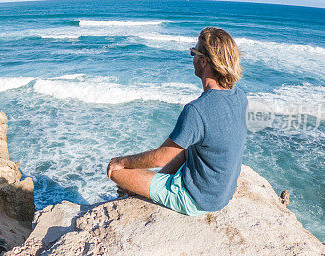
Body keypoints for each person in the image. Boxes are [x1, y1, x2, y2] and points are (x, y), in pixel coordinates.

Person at [106, 26, 247, 216]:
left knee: (115, 171)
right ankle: (155, 182)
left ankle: (149, 187)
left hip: (196, 199)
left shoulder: (197, 110)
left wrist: (121, 161)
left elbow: (160, 157)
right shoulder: (239, 96)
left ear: (204, 61)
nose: (192, 58)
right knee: (186, 146)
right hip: (222, 192)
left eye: (193, 53)